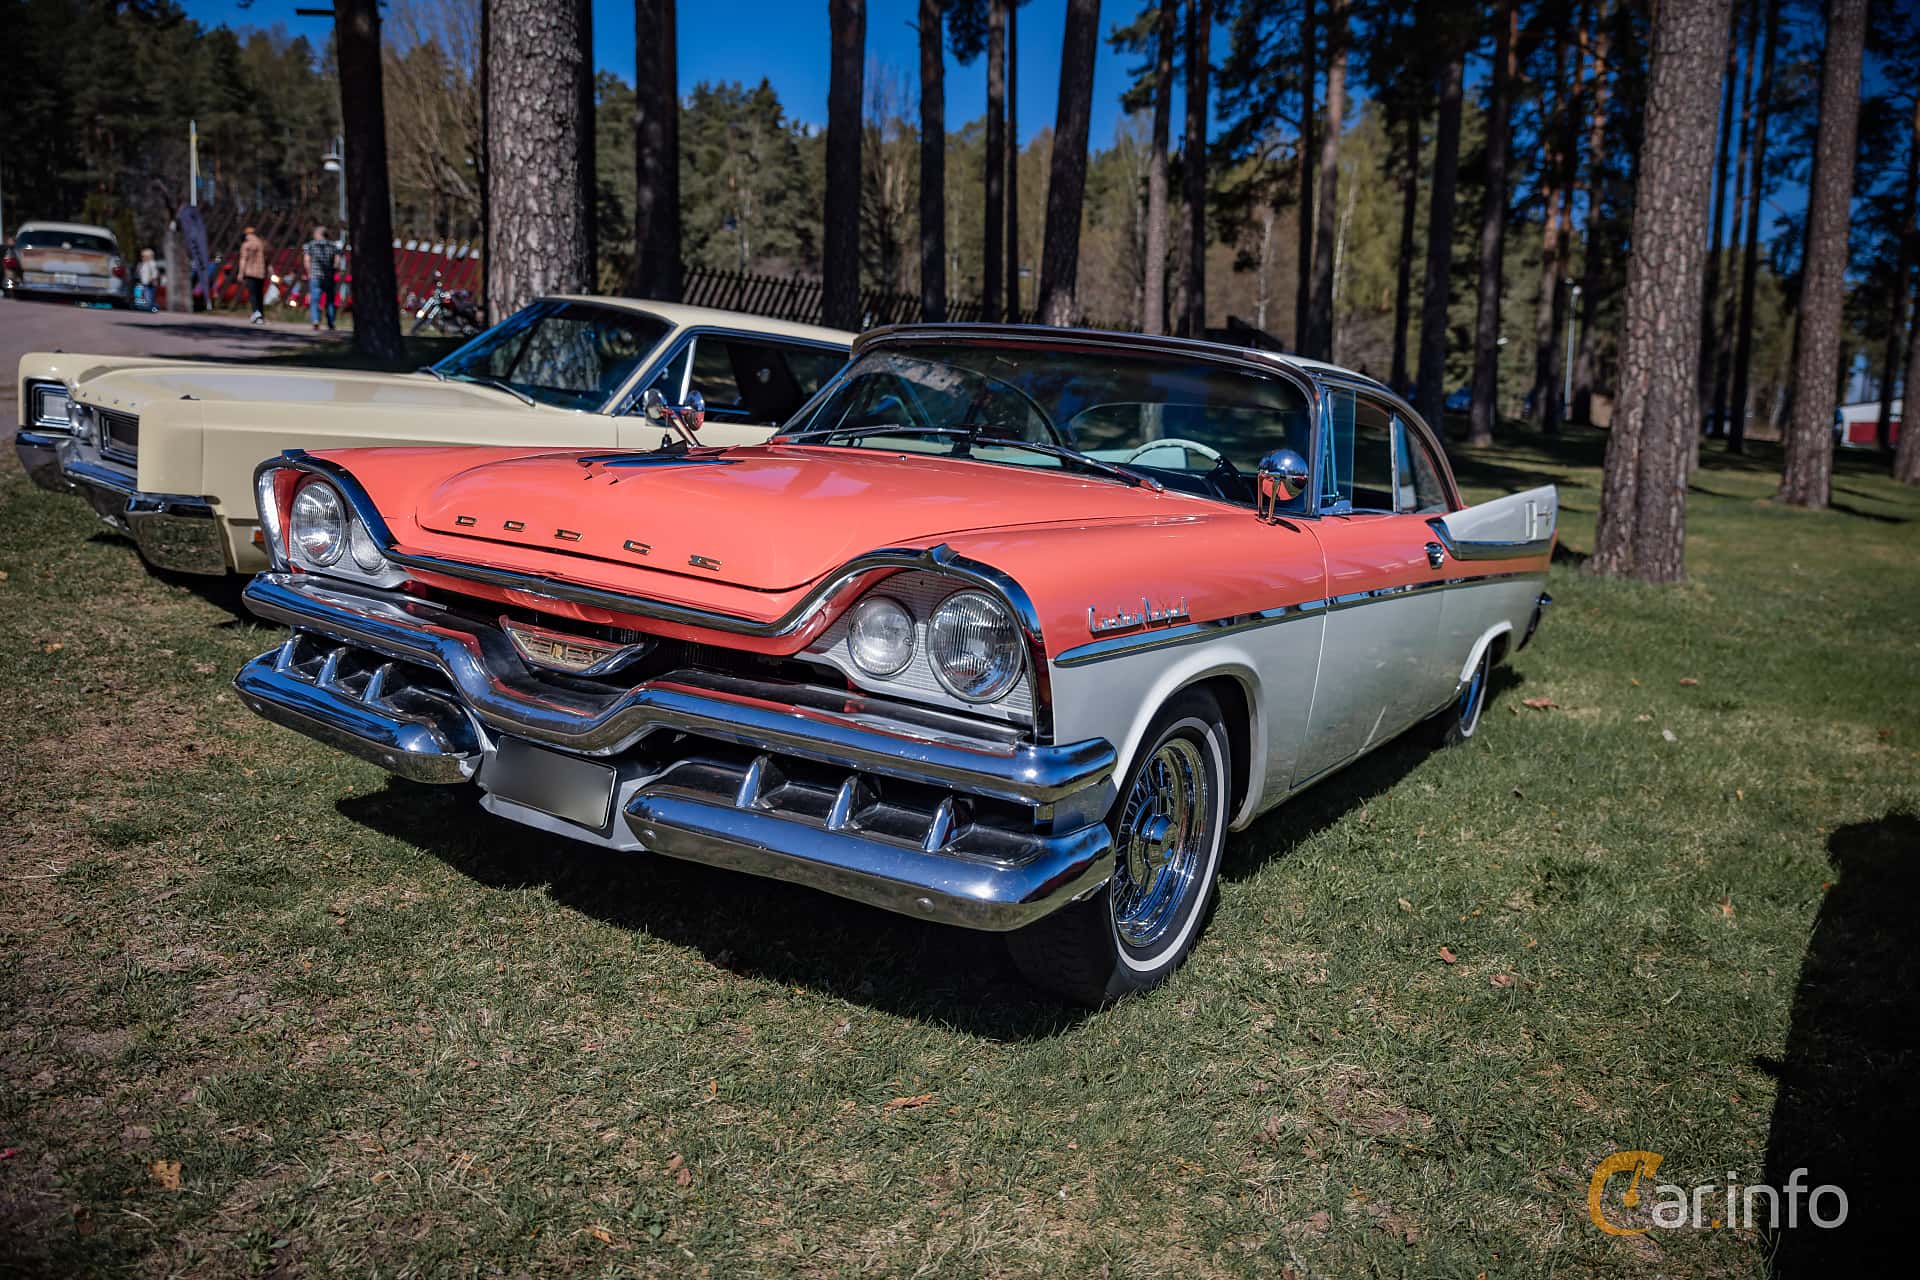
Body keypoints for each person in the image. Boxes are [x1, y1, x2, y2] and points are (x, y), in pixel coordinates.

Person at [303, 226, 340, 331]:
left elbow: (306, 260)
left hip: (315, 276)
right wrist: (333, 271)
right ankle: (331, 322)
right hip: (328, 277)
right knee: (330, 301)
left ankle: (315, 320)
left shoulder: (310, 245)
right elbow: (337, 262)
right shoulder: (333, 246)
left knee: (315, 300)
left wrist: (309, 273)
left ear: (318, 234)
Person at [238, 226, 269, 324]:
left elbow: (243, 259)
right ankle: (261, 315)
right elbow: (268, 258)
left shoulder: (246, 245)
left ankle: (256, 313)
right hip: (261, 272)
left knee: (253, 295)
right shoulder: (262, 243)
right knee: (260, 294)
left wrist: (240, 273)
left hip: (250, 272)